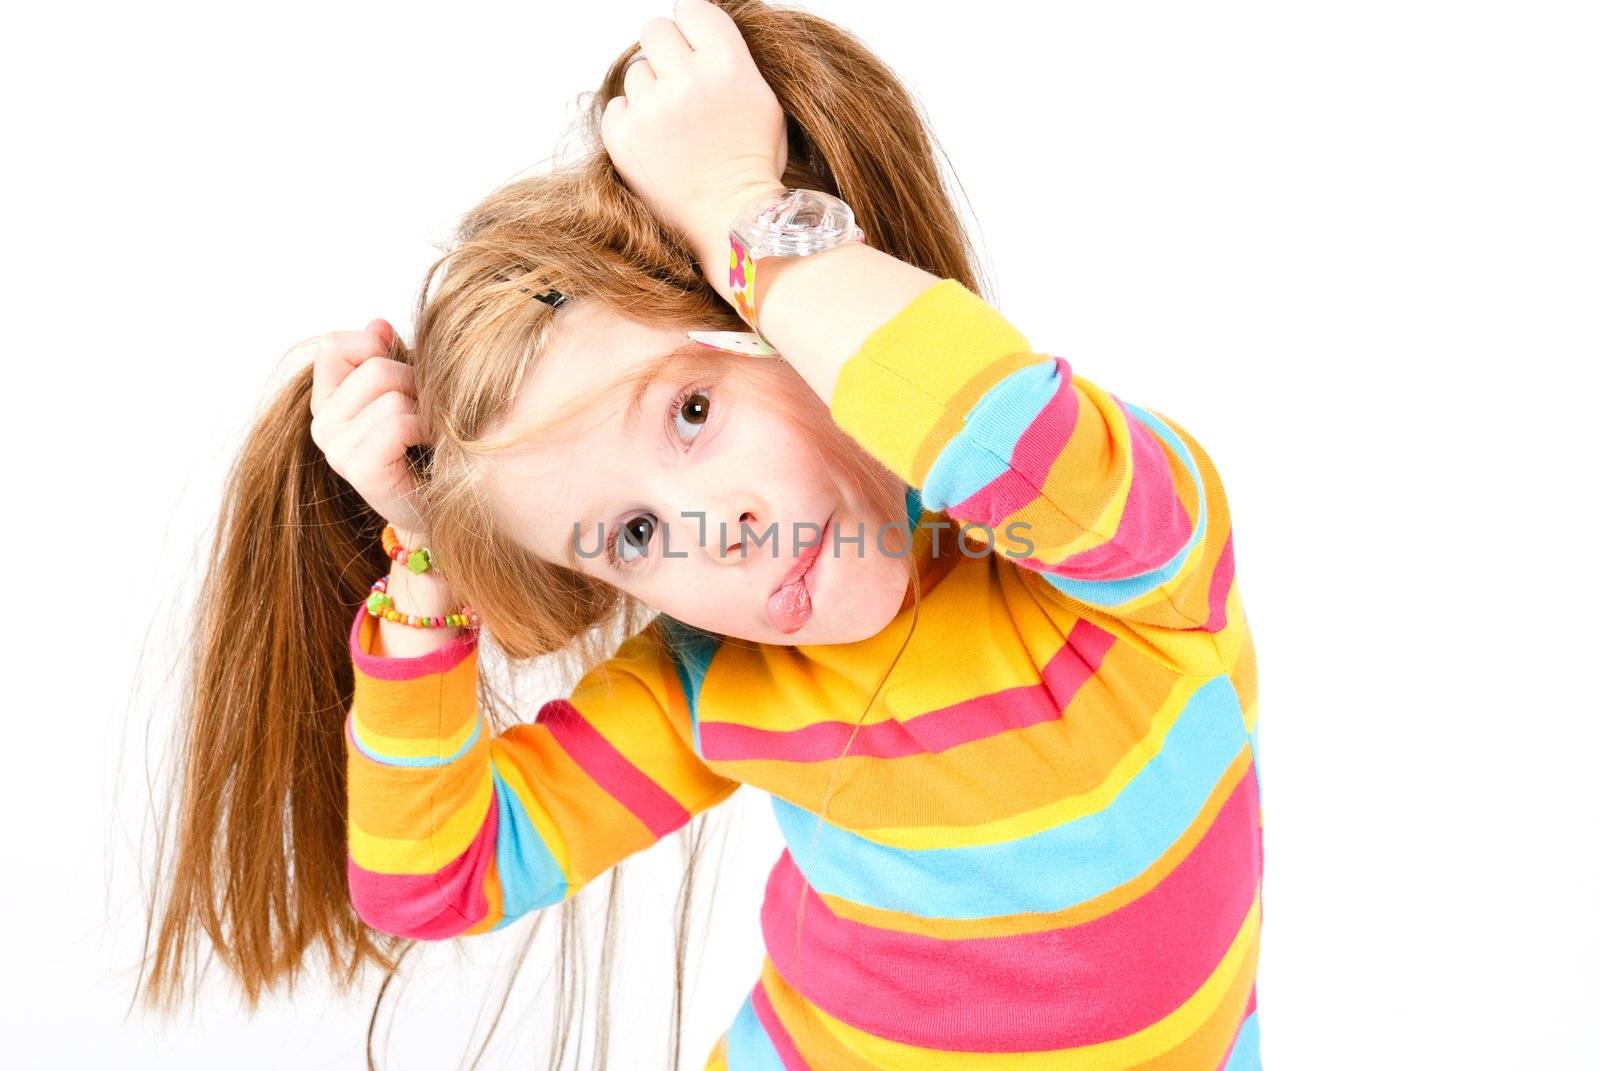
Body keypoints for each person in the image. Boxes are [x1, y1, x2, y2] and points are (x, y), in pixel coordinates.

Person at [138, 1, 1263, 1067]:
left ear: (767, 325)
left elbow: (987, 430)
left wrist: (738, 206)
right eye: (629, 535)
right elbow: (435, 877)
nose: (711, 531)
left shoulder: (1115, 549)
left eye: (691, 414)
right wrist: (427, 552)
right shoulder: (716, 681)